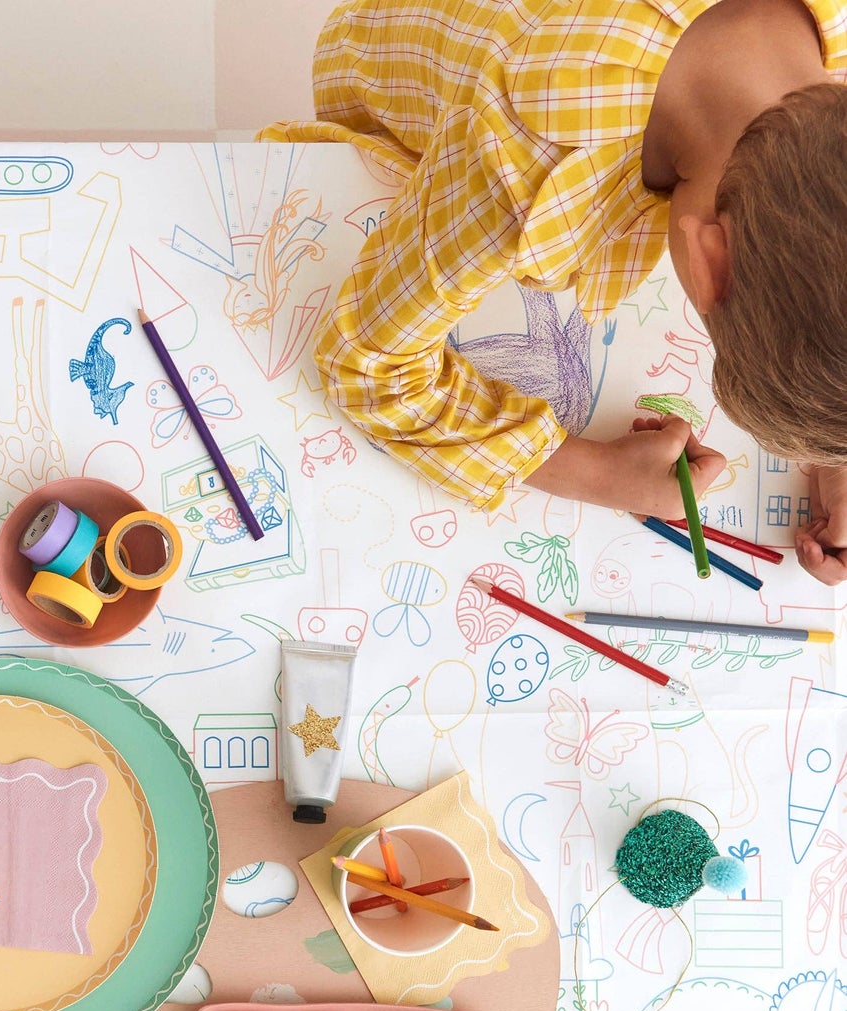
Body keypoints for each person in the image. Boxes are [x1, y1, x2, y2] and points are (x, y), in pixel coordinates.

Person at [264, 0, 847, 580]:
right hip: (388, 74)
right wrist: (593, 472)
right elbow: (366, 364)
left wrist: (832, 448)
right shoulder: (519, 165)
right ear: (705, 260)